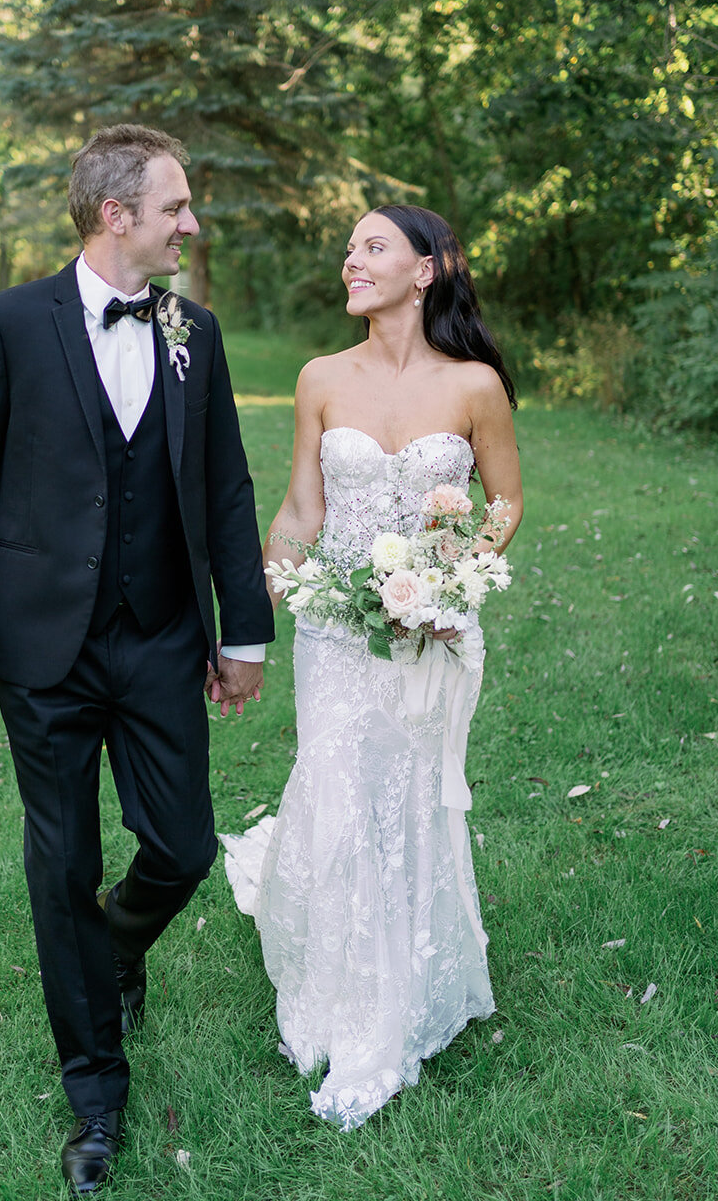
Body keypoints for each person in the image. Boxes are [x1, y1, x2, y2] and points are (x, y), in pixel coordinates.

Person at [0, 124, 274, 1194]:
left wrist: (241, 632)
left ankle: (117, 944)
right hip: (41, 646)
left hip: (161, 632)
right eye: (176, 207)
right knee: (59, 860)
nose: (191, 224)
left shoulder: (190, 332)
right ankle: (95, 1097)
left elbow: (223, 488)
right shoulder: (8, 324)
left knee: (181, 844)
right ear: (115, 214)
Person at [221, 203, 523, 1129]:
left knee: (410, 795)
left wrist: (451, 580)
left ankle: (407, 986)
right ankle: (348, 1001)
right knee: (341, 785)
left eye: (372, 246)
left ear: (425, 269)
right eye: (349, 248)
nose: (350, 260)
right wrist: (255, 613)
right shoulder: (319, 377)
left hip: (424, 631)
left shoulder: (474, 386)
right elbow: (302, 510)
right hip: (335, 635)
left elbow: (503, 499)